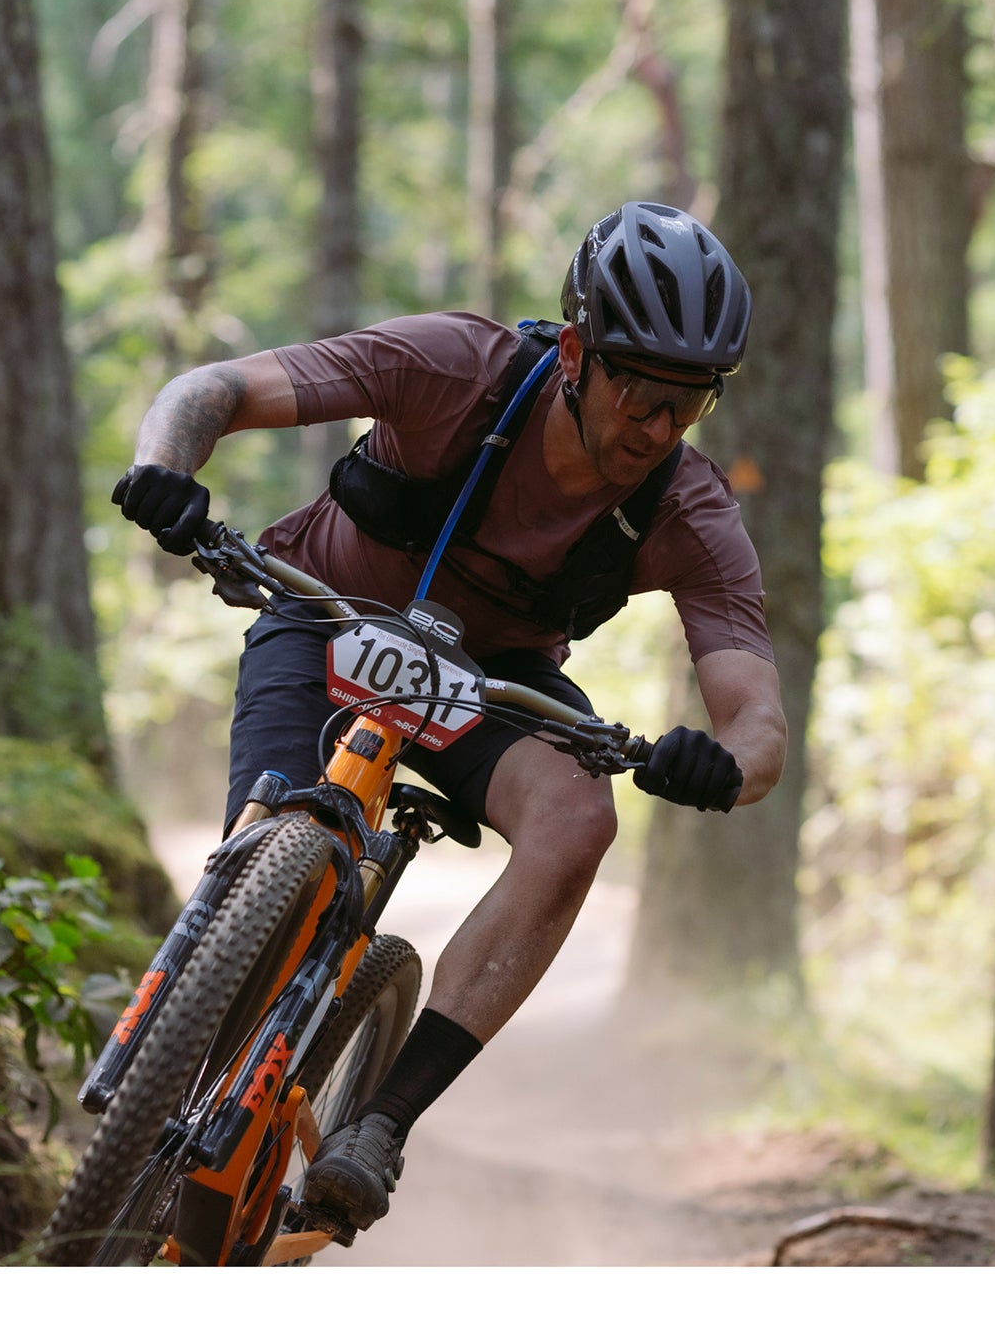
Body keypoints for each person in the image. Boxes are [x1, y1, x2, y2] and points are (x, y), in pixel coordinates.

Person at [110, 201, 786, 1236]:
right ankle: (186, 1066)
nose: (659, 429)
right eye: (641, 395)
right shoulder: (452, 367)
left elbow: (759, 722)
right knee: (268, 854)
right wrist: (167, 465)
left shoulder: (687, 508)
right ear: (576, 355)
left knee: (578, 818)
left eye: (687, 404)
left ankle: (379, 1125)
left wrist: (724, 763)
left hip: (489, 681)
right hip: (327, 613)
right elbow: (213, 390)